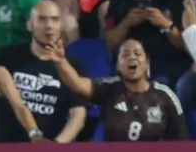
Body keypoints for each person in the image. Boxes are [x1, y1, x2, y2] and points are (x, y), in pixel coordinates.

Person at [46, 36, 186, 141]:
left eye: (137, 54)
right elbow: (77, 84)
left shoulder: (165, 96)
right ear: (118, 65)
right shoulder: (109, 88)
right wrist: (61, 61)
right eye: (125, 55)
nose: (132, 57)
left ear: (147, 63)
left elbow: (181, 142)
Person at [0, 0, 89, 143]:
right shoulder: (6, 57)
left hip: (52, 151)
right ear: (29, 25)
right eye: (41, 19)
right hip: (7, 149)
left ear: (61, 25)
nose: (49, 26)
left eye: (54, 19)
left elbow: (78, 115)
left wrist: (56, 146)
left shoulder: (73, 67)